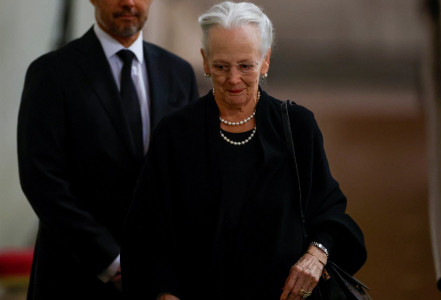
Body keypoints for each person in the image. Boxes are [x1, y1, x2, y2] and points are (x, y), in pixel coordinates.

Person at [121, 2, 366, 299]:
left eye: (245, 65)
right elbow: (146, 231)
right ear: (206, 61)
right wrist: (164, 293)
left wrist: (316, 255)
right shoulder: (175, 134)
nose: (233, 79)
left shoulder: (298, 126)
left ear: (265, 62)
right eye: (222, 66)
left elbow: (328, 210)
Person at [17, 0, 198, 299]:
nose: (128, 2)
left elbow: (188, 179)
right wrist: (110, 262)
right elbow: (42, 180)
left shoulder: (178, 73)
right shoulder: (51, 73)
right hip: (72, 277)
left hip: (155, 281)